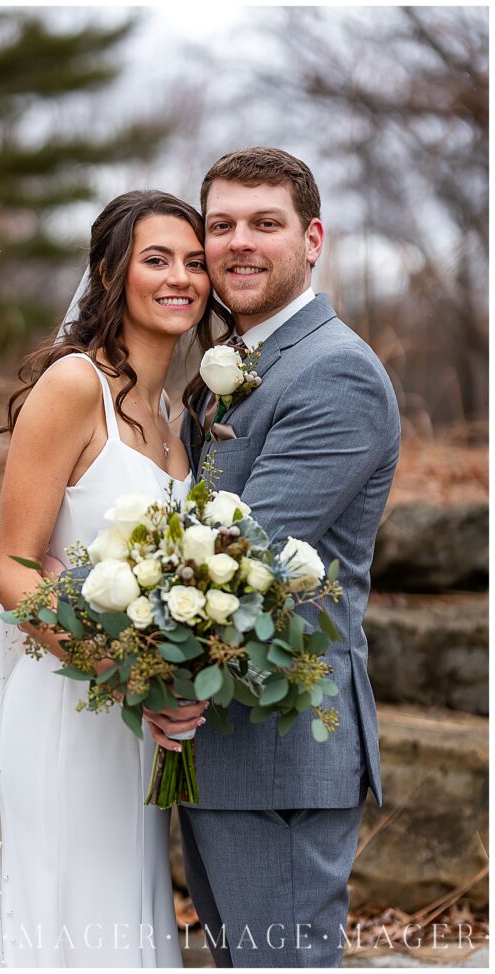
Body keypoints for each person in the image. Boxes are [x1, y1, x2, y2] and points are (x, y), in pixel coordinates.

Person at [0, 191, 232, 967]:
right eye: (156, 259)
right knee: (61, 912)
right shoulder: (75, 386)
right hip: (71, 701)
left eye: (195, 262)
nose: (182, 278)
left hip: (138, 727)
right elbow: (13, 567)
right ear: (109, 275)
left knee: (120, 909)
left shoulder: (173, 416)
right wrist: (128, 677)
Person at [168, 147, 399, 968]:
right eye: (221, 224)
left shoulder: (335, 372)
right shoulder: (237, 367)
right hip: (223, 743)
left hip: (281, 742)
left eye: (265, 224)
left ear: (312, 239)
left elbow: (238, 559)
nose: (239, 242)